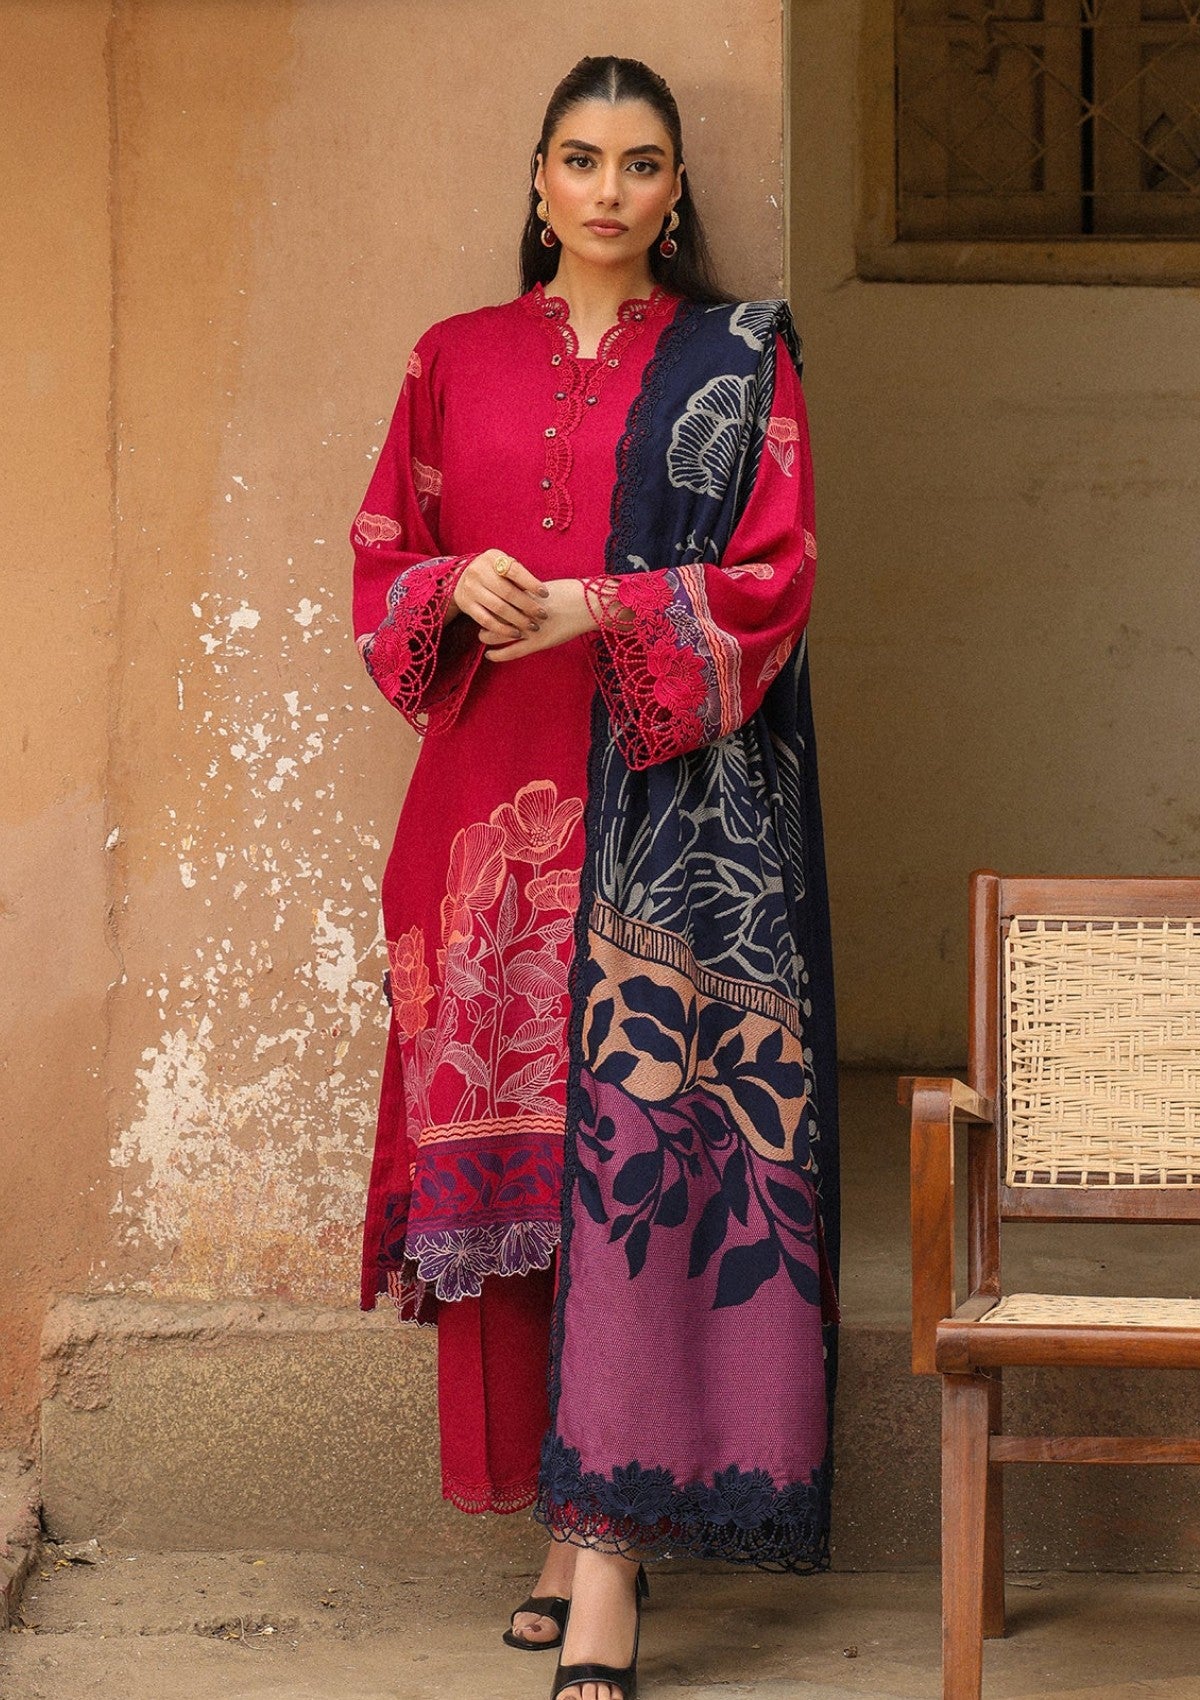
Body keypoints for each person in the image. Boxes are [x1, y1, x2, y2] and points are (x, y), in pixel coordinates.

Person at [350, 54, 839, 1700]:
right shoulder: (451, 357)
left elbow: (774, 577)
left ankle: (614, 1555)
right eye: (581, 158)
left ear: (677, 189)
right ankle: (568, 1522)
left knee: (638, 1164)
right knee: (528, 1175)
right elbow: (381, 562)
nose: (609, 190)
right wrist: (454, 587)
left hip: (668, 820)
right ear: (539, 179)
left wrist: (603, 609)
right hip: (484, 820)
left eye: (640, 163)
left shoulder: (737, 361)